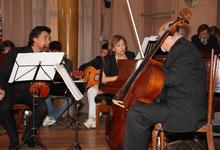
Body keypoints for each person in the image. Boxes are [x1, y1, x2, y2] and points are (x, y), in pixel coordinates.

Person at [123, 22, 207, 150]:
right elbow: (168, 84)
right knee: (139, 108)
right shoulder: (180, 49)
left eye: (159, 37)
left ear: (169, 36)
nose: (158, 40)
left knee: (136, 113)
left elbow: (172, 79)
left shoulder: (185, 50)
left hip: (185, 110)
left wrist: (149, 72)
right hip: (176, 104)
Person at [0, 26, 51, 149]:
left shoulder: (45, 57)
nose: (48, 41)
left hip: (30, 93)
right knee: (4, 107)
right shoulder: (17, 52)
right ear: (34, 39)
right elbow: (2, 72)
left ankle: (28, 136)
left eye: (49, 38)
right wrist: (1, 89)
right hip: (11, 91)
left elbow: (47, 79)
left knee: (43, 108)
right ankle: (14, 141)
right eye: (45, 38)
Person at [83, 35, 135, 129]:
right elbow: (103, 79)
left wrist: (116, 78)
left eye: (123, 44)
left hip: (125, 89)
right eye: (118, 45)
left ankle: (93, 120)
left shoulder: (131, 56)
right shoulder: (107, 59)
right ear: (113, 48)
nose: (122, 47)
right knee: (91, 90)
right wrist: (117, 78)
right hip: (109, 87)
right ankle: (92, 119)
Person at [43, 41, 73, 127]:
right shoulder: (46, 61)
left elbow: (68, 77)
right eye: (53, 51)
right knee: (44, 94)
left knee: (72, 97)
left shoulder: (67, 62)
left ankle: (52, 117)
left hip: (62, 87)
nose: (55, 53)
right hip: (49, 87)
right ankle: (54, 116)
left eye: (57, 51)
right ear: (50, 51)